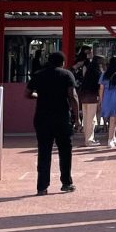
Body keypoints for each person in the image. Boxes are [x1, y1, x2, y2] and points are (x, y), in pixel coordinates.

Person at [26, 51, 79, 195]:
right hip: (62, 117)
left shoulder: (38, 74)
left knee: (44, 151)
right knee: (65, 151)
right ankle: (66, 183)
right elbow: (72, 96)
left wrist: (38, 95)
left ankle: (42, 186)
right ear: (62, 62)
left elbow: (27, 93)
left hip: (42, 117)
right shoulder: (67, 74)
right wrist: (77, 117)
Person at [98, 55, 116, 148]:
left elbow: (101, 88)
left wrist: (101, 100)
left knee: (110, 118)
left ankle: (113, 137)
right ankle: (110, 139)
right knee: (114, 118)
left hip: (107, 95)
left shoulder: (104, 74)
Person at [75, 48, 101, 146]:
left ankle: (86, 139)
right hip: (92, 97)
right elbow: (99, 87)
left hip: (84, 97)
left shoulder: (88, 71)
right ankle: (90, 140)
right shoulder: (97, 72)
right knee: (91, 119)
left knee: (86, 119)